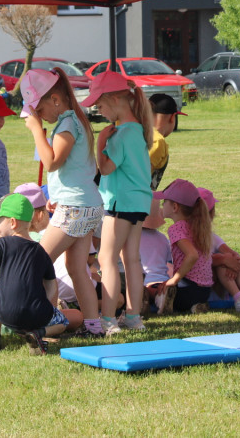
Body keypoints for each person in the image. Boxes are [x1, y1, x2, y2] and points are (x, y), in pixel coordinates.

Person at [21, 68, 106, 338]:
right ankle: (93, 326)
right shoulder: (76, 120)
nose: (39, 116)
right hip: (87, 205)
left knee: (38, 262)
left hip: (76, 207)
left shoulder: (67, 123)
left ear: (56, 100)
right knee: (75, 268)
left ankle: (48, 320)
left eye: (39, 109)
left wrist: (37, 130)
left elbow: (52, 161)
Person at [80, 71, 153, 334]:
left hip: (119, 204)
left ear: (113, 99)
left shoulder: (119, 135)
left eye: (99, 105)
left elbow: (107, 169)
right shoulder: (139, 131)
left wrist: (100, 142)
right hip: (139, 203)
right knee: (132, 260)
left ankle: (108, 319)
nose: (99, 112)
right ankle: (133, 317)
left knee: (106, 259)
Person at [0, 194, 76, 355]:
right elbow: (52, 286)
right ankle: (38, 334)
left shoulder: (1, 244)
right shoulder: (41, 251)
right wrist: (47, 307)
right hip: (36, 315)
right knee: (63, 323)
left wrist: (1, 288)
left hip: (5, 312)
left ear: (12, 222)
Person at [155, 179, 214, 314]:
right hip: (205, 291)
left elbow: (192, 255)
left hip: (188, 289)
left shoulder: (176, 229)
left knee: (159, 293)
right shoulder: (197, 226)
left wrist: (174, 280)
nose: (162, 205)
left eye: (164, 202)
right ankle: (197, 306)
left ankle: (170, 304)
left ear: (175, 207)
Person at [146, 93, 185, 226]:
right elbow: (139, 176)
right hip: (132, 205)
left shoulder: (136, 132)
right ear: (173, 117)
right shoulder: (157, 142)